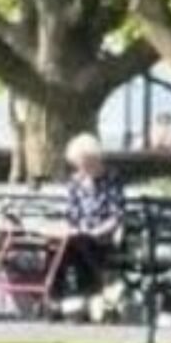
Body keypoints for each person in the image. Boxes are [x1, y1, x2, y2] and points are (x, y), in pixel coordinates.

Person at [52, 133, 125, 318]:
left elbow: (116, 216)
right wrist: (70, 229)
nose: (82, 167)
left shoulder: (112, 179)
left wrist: (95, 231)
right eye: (78, 163)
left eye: (85, 162)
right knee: (57, 248)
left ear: (95, 159)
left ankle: (91, 293)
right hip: (78, 236)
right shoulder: (75, 182)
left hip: (102, 236)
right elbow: (70, 213)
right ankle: (56, 297)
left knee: (82, 242)